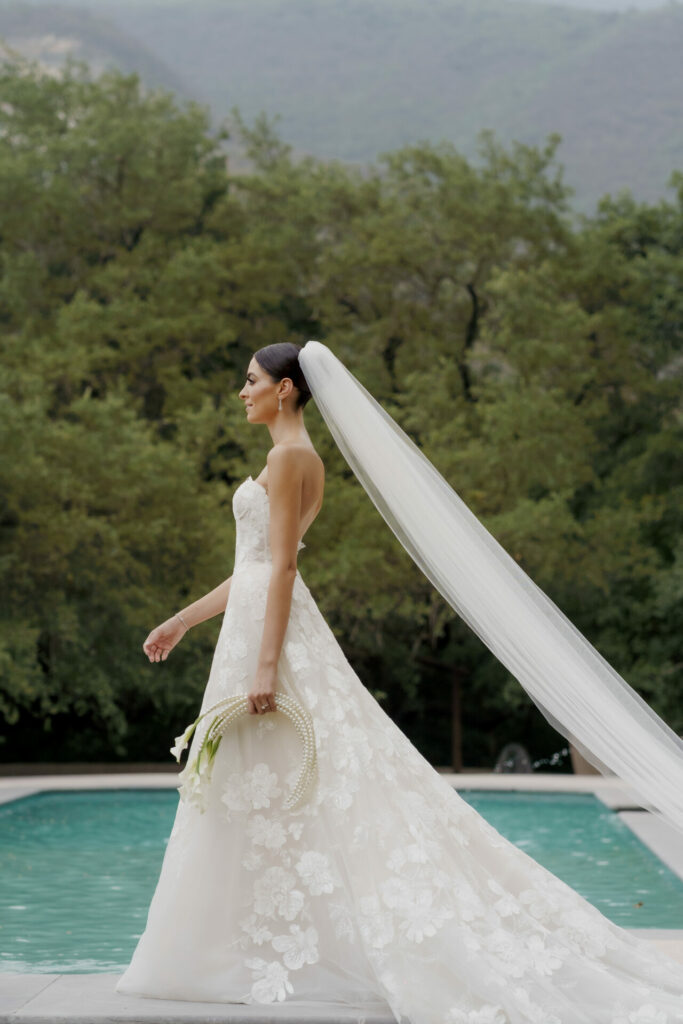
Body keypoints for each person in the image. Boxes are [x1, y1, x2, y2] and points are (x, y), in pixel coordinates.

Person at [116, 342, 683, 1022]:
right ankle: (236, 948)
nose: (242, 392)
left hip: (271, 637)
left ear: (287, 390)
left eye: (251, 381)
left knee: (317, 780)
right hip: (251, 624)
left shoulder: (290, 457)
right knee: (253, 780)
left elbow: (285, 570)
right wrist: (182, 621)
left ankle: (243, 951)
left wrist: (266, 665)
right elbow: (256, 568)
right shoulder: (286, 458)